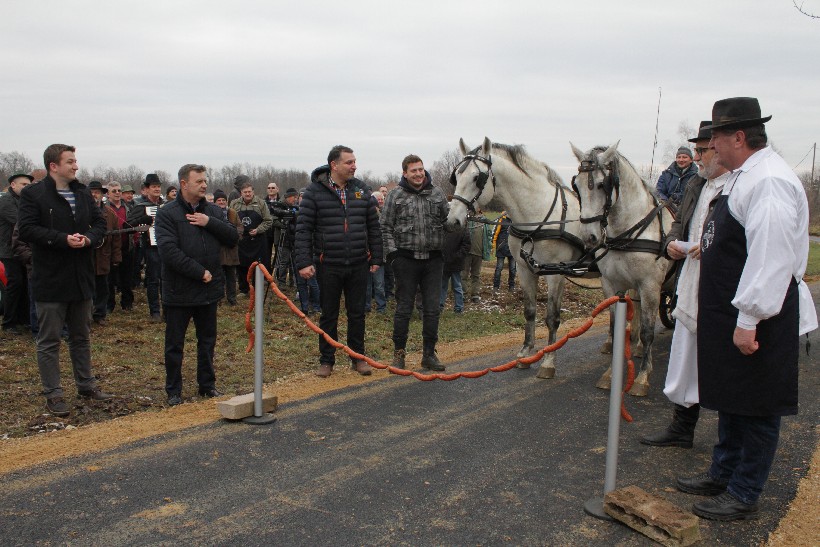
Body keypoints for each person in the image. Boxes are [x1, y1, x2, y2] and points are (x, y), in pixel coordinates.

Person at [676, 97, 817, 521]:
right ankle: (723, 473)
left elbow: (771, 258)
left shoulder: (769, 181)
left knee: (756, 406)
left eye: (716, 138)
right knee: (733, 399)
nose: (710, 147)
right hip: (729, 310)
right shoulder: (743, 178)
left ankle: (744, 491)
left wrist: (749, 319)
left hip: (762, 317)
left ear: (739, 137)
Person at [640, 121, 729, 449]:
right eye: (694, 151)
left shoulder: (736, 186)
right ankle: (681, 427)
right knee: (685, 356)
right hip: (691, 278)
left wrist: (709, 247)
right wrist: (671, 243)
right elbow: (679, 222)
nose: (696, 157)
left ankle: (729, 443)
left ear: (718, 149)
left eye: (701, 151)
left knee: (721, 362)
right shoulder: (697, 184)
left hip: (721, 283)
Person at [17, 144, 114, 416]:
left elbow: (99, 224)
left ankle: (86, 385)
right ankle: (54, 393)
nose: (76, 166)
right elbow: (27, 229)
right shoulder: (34, 194)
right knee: (49, 340)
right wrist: (62, 239)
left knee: (81, 336)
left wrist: (89, 239)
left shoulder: (82, 193)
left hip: (81, 277)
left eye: (75, 160)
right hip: (50, 279)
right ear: (54, 166)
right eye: (70, 161)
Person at [295, 145, 382, 378]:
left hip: (358, 262)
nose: (354, 166)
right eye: (349, 162)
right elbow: (303, 229)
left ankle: (358, 358)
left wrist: (376, 256)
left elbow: (373, 226)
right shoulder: (314, 192)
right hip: (329, 264)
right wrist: (304, 261)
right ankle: (327, 360)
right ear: (334, 165)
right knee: (329, 314)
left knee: (357, 313)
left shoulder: (361, 190)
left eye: (354, 161)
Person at [155, 164, 239, 406]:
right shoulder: (167, 213)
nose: (204, 185)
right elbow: (168, 251)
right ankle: (174, 390)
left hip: (208, 290)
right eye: (199, 181)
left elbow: (233, 237)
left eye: (205, 180)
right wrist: (198, 272)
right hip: (179, 290)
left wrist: (208, 222)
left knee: (207, 341)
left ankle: (207, 385)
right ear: (184, 184)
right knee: (174, 344)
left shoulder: (212, 211)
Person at [381, 155, 449, 370]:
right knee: (404, 309)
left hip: (433, 260)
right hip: (405, 260)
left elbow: (449, 222)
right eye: (413, 171)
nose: (419, 174)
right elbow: (385, 227)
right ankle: (399, 354)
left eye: (421, 169)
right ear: (405, 173)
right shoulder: (395, 195)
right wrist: (393, 256)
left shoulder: (437, 193)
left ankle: (429, 354)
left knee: (432, 310)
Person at [127, 174, 164, 321]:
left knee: (166, 279)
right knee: (153, 279)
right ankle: (154, 311)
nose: (157, 189)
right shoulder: (141, 206)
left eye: (158, 186)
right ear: (146, 189)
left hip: (166, 246)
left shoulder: (165, 205)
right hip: (150, 246)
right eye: (154, 187)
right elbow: (128, 224)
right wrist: (142, 220)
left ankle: (167, 309)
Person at [0, 173, 33, 334]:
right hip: (8, 251)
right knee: (14, 284)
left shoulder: (23, 201)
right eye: (24, 185)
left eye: (29, 185)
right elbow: (21, 222)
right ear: (13, 185)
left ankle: (23, 319)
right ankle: (9, 322)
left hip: (21, 249)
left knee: (25, 284)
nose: (27, 188)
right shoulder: (6, 201)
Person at [88, 181, 121, 326]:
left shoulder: (110, 213)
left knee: (103, 287)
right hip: (86, 256)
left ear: (102, 195)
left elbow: (116, 238)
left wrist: (116, 257)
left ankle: (100, 314)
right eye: (92, 192)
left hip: (103, 255)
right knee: (87, 287)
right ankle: (86, 316)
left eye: (97, 192)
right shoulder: (81, 211)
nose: (94, 195)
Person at [230, 181, 273, 294]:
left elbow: (268, 221)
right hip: (241, 241)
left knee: (258, 265)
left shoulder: (261, 203)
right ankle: (244, 289)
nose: (248, 194)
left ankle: (257, 289)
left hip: (257, 240)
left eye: (249, 191)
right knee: (241, 265)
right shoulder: (234, 204)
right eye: (245, 192)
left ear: (253, 192)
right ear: (241, 193)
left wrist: (258, 230)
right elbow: (230, 221)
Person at [105, 181, 134, 312]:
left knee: (127, 278)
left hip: (127, 247)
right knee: (110, 279)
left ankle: (127, 303)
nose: (117, 193)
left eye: (119, 190)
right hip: (110, 248)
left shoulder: (129, 208)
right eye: (114, 191)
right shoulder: (104, 209)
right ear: (108, 194)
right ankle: (109, 304)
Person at [213, 189, 242, 305]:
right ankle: (218, 298)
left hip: (231, 249)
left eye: (223, 200)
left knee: (231, 277)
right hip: (217, 250)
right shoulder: (211, 213)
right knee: (218, 277)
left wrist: (235, 237)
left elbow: (240, 227)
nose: (221, 202)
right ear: (215, 202)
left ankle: (232, 299)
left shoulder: (233, 213)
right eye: (219, 200)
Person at [462, 208, 493, 303]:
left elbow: (488, 236)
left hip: (478, 253)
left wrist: (488, 249)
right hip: (466, 253)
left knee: (476, 275)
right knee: (463, 274)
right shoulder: (466, 219)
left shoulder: (484, 221)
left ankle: (475, 294)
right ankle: (463, 294)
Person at [364, 190, 386, 314]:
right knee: (366, 285)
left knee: (379, 284)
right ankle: (366, 306)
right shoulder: (362, 221)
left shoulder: (382, 221)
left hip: (378, 257)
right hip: (365, 257)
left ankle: (381, 307)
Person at [440, 221, 470, 314]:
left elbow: (466, 246)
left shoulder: (462, 229)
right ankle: (440, 306)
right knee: (444, 286)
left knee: (456, 286)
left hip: (455, 263)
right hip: (446, 263)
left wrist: (456, 257)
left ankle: (458, 308)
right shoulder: (445, 227)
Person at [492, 211, 516, 294]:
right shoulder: (501, 220)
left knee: (513, 269)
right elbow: (495, 234)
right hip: (501, 248)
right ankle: (496, 287)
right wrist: (493, 246)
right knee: (499, 268)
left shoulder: (515, 220)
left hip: (513, 249)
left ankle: (511, 287)